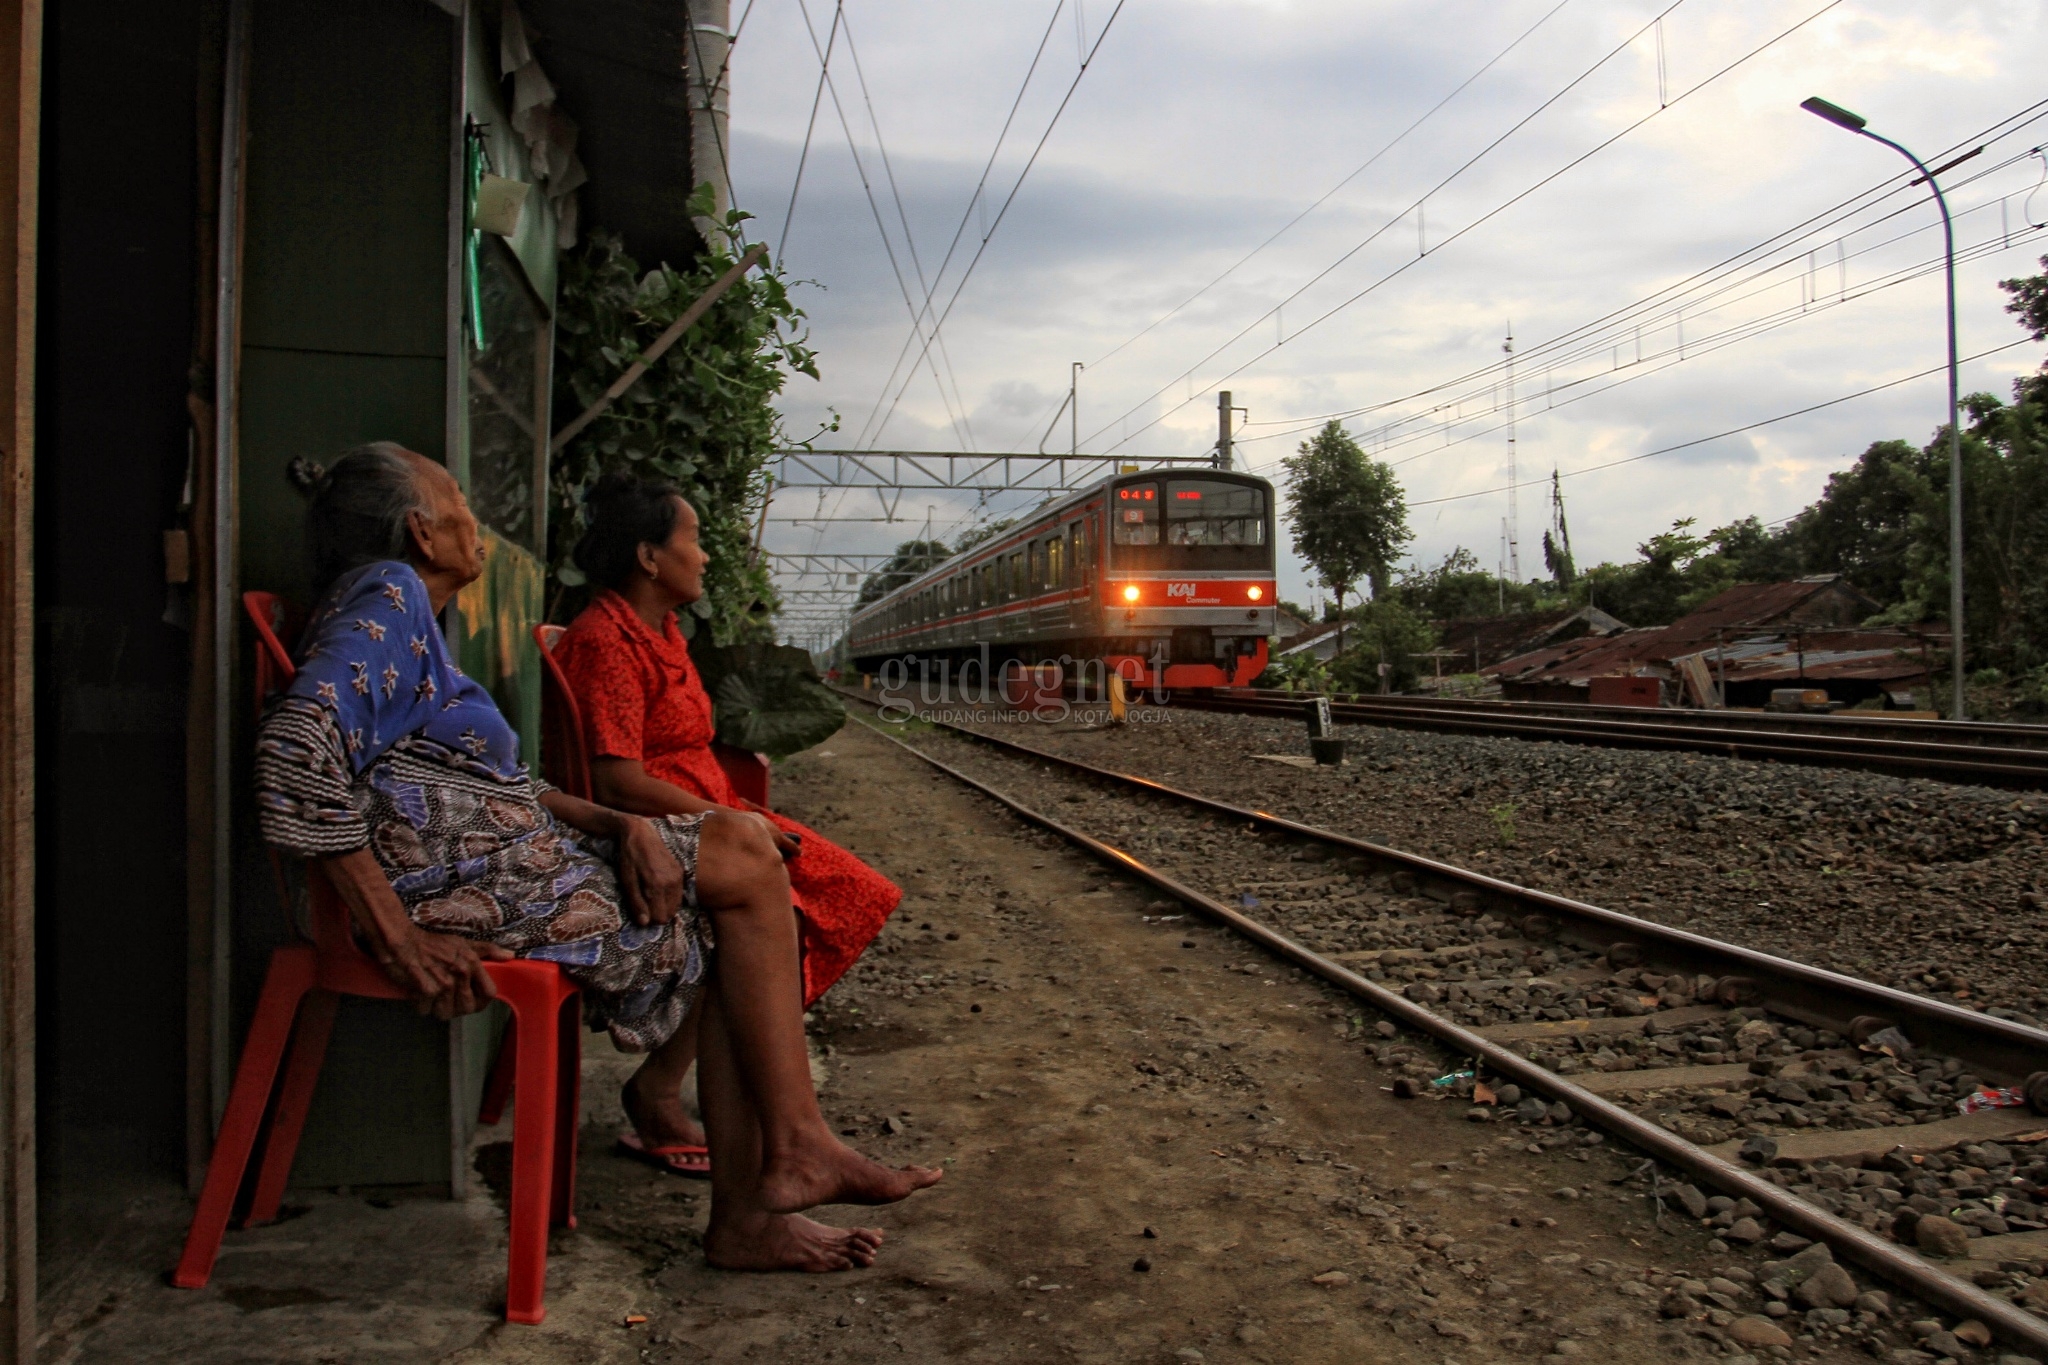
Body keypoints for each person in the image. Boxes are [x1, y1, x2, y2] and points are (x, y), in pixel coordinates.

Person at [254, 442, 938, 1272]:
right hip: (459, 883)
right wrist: (398, 935)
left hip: (497, 861)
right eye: (459, 498)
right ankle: (781, 1166)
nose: (475, 515)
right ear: (421, 532)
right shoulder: (388, 595)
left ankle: (775, 1178)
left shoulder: (405, 619)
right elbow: (294, 749)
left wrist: (617, 827)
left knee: (744, 878)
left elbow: (498, 780)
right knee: (748, 876)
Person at [552, 473, 900, 1173]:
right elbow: (617, 778)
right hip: (659, 830)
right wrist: (727, 819)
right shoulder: (605, 641)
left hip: (710, 820)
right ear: (650, 557)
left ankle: (704, 1087)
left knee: (848, 892)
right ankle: (681, 1090)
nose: (706, 555)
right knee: (808, 905)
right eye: (694, 539)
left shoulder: (661, 631)